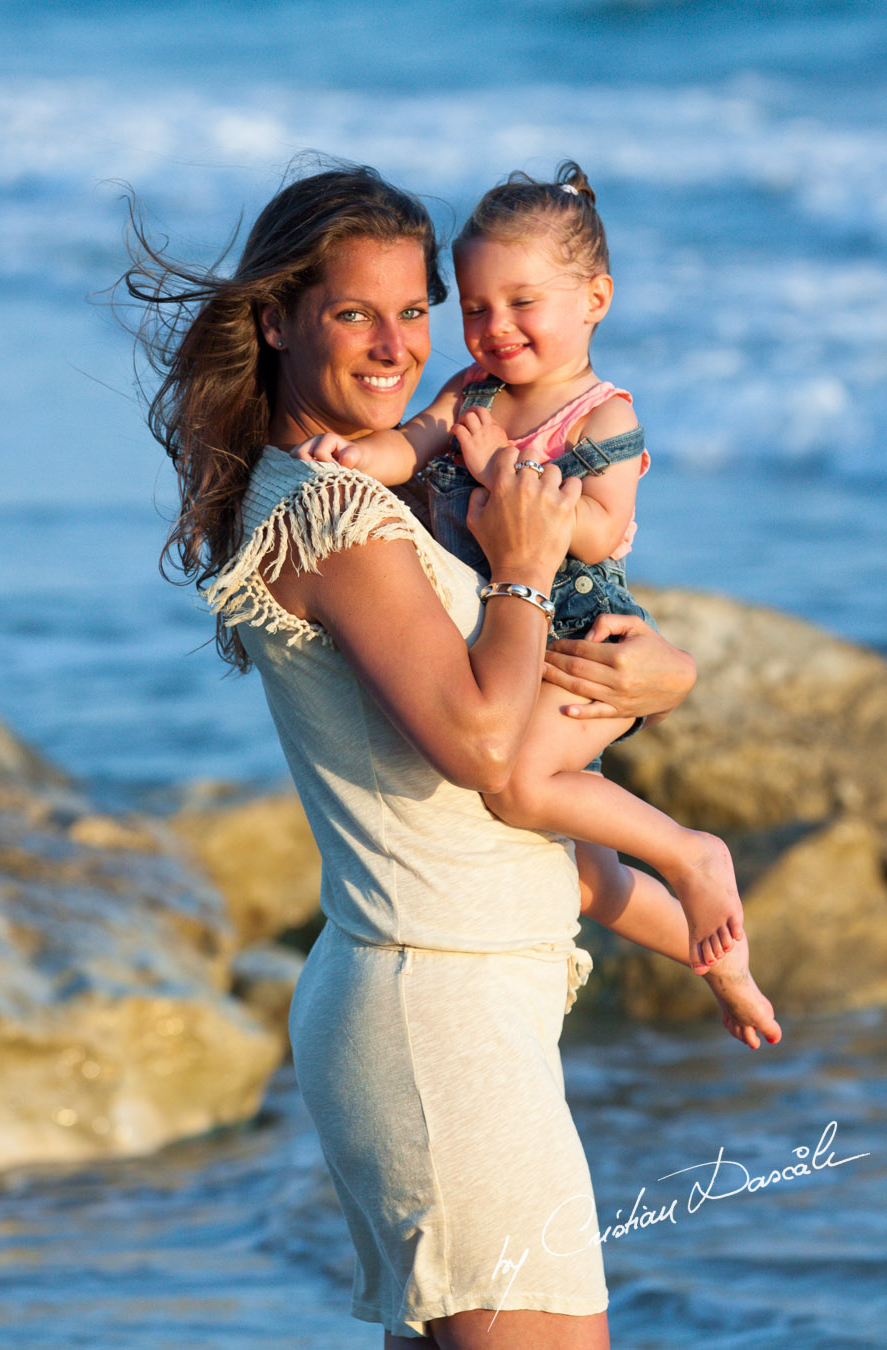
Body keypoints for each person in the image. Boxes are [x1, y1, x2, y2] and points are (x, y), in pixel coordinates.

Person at [127, 161, 781, 1349]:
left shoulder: (361, 491)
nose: (398, 347)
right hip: (439, 1021)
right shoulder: (339, 518)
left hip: (444, 999)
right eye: (354, 313)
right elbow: (491, 750)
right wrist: (526, 567)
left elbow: (488, 818)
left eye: (414, 311)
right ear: (276, 320)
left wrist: (692, 906)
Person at [292, 163, 742, 975]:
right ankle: (725, 968)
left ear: (594, 301)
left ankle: (692, 854)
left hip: (579, 642)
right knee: (585, 876)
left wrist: (506, 470)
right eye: (473, 307)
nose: (496, 326)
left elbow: (601, 535)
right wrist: (353, 455)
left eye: (522, 303)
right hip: (511, 632)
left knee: (523, 790)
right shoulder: (472, 391)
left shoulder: (603, 413)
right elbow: (413, 445)